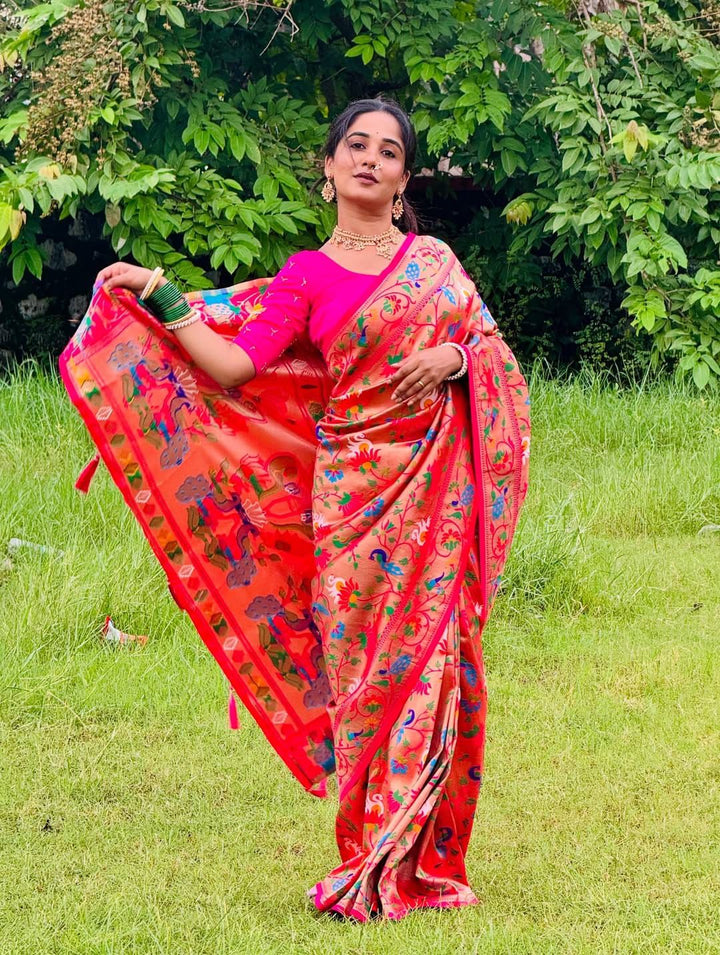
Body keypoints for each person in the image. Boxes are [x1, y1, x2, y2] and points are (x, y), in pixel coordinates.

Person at [64, 97, 530, 922]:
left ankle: (416, 863)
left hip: (433, 496)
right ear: (328, 167)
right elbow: (239, 365)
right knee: (364, 678)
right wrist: (164, 297)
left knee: (429, 666)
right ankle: (368, 854)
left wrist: (455, 353)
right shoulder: (307, 275)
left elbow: (495, 353)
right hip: (351, 499)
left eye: (389, 152)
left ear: (402, 179)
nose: (370, 160)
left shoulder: (435, 261)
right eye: (356, 145)